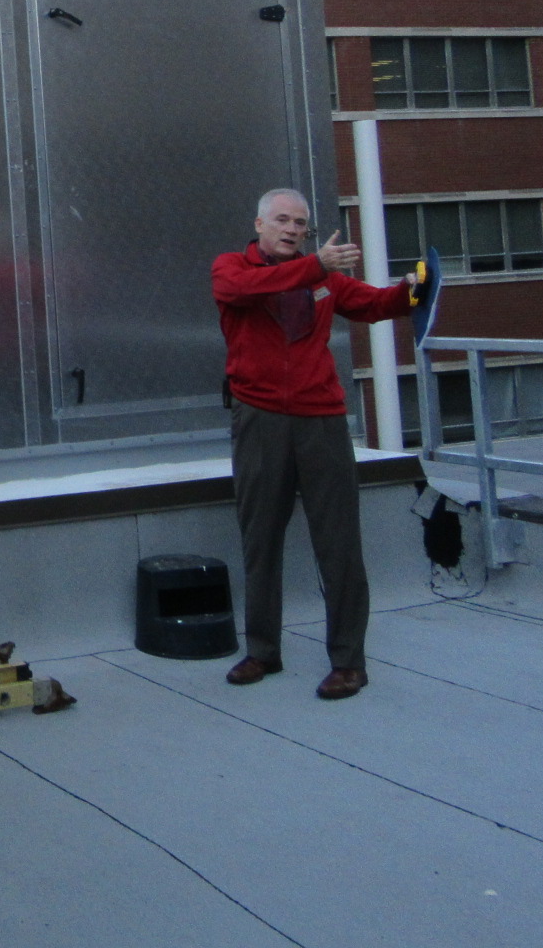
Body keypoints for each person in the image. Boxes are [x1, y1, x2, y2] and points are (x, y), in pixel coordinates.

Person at [212, 188, 415, 701]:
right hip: (258, 418)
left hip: (320, 419)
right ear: (258, 223)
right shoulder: (230, 267)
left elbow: (373, 305)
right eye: (281, 220)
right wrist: (317, 267)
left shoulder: (324, 278)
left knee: (339, 543)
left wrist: (413, 289)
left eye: (300, 223)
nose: (292, 229)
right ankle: (262, 651)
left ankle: (349, 663)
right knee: (260, 538)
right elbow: (244, 290)